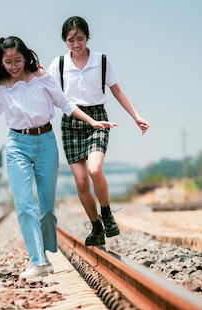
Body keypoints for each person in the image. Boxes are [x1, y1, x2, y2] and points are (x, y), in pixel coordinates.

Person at [0, 35, 117, 280]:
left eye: (18, 60)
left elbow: (64, 103)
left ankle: (46, 251)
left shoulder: (41, 79)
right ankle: (39, 261)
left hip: (45, 143)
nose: (14, 66)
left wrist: (92, 121)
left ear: (25, 57)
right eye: (8, 62)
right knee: (24, 205)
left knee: (47, 209)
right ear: (1, 62)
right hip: (17, 145)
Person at [48, 15, 150, 246]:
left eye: (80, 39)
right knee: (82, 182)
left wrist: (136, 116)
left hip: (98, 120)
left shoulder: (102, 61)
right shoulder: (60, 64)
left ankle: (107, 213)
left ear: (88, 37)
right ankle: (96, 227)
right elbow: (49, 92)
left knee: (95, 170)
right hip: (71, 122)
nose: (76, 44)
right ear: (65, 41)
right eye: (71, 40)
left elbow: (117, 91)